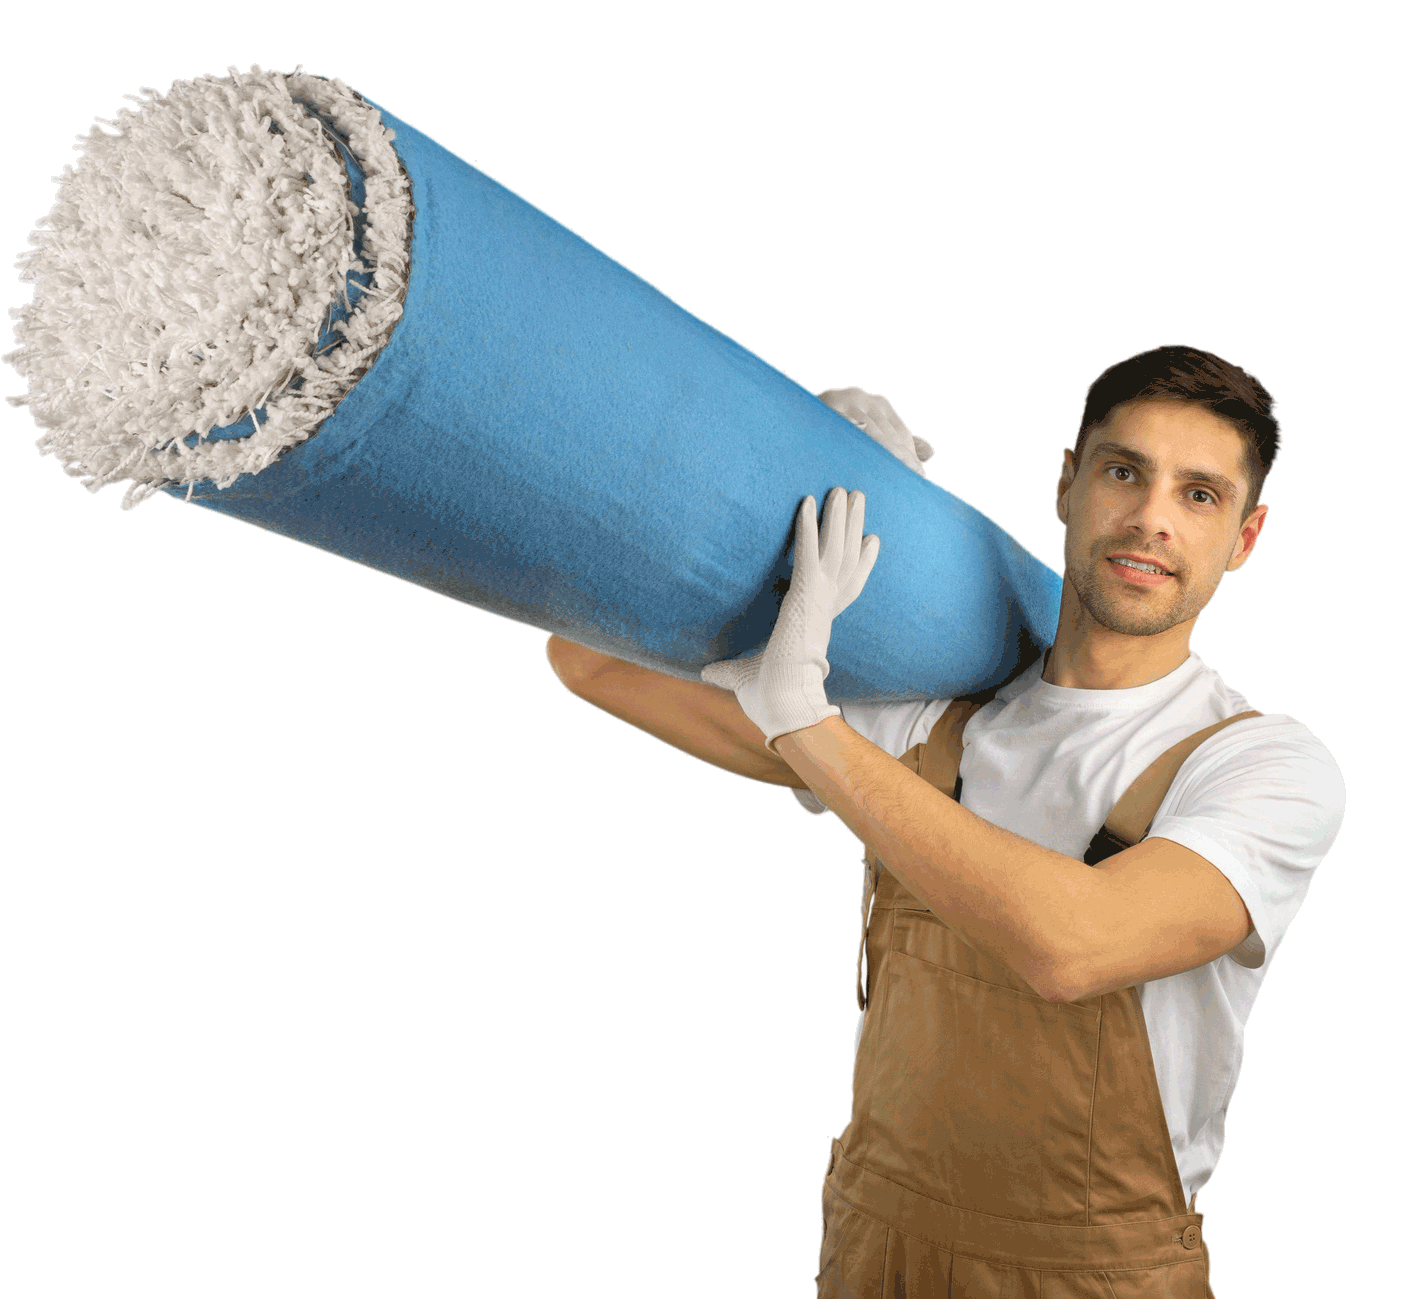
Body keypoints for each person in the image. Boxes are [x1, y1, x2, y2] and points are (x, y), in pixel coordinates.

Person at [546, 346, 1344, 1298]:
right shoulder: (932, 724)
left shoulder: (1257, 766)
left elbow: (1072, 944)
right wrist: (775, 482)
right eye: (1123, 470)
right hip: (876, 1252)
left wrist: (807, 720)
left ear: (1244, 538)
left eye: (1199, 494)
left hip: (1090, 1280)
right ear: (1067, 481)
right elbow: (586, 657)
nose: (1150, 518)